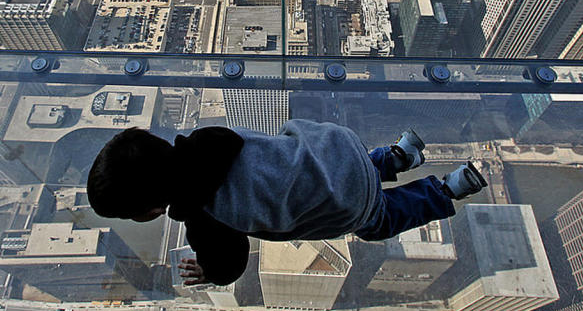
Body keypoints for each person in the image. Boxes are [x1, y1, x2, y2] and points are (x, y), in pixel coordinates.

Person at [87, 120, 486, 286]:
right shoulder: (208, 137)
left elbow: (230, 265)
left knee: (377, 221)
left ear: (152, 209)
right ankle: (399, 155)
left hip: (347, 196)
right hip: (335, 145)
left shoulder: (205, 218)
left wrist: (210, 272)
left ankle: (447, 189)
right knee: (342, 167)